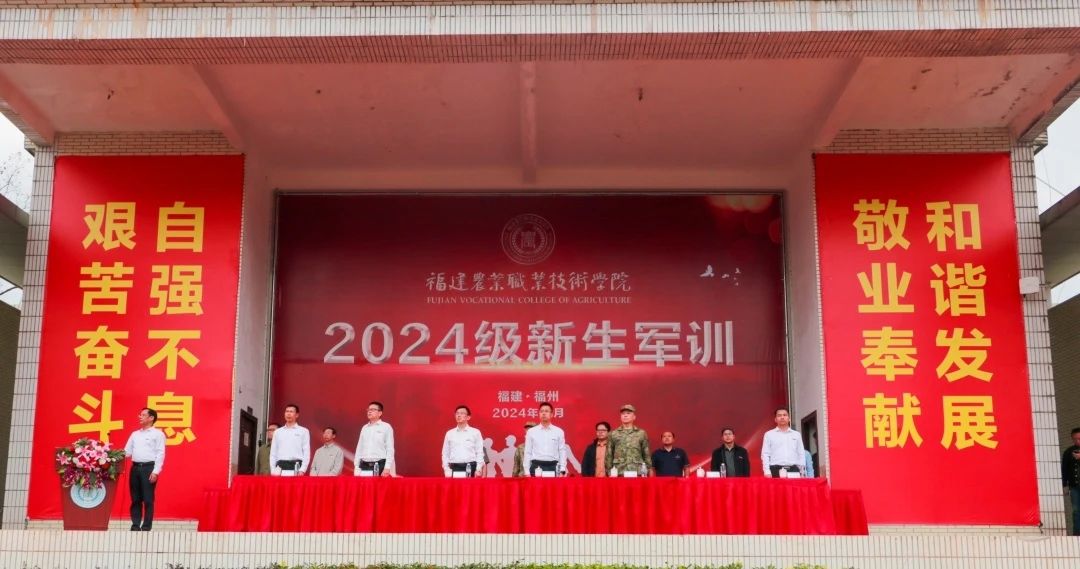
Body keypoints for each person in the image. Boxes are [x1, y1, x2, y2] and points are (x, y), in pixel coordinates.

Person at [124, 407, 165, 531]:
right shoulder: (135, 434)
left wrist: (156, 471)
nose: (139, 417)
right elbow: (126, 452)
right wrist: (110, 455)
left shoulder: (158, 434)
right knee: (135, 499)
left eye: (143, 415)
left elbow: (160, 453)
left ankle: (146, 526)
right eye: (140, 415)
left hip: (149, 468)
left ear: (151, 418)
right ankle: (135, 525)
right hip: (135, 468)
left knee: (148, 499)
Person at [608, 404, 652, 476]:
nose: (625, 415)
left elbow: (646, 453)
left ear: (634, 417)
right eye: (623, 414)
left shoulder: (641, 433)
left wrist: (649, 469)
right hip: (619, 472)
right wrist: (609, 471)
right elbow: (609, 455)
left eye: (628, 413)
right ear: (620, 417)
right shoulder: (613, 434)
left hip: (637, 472)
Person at [441, 405, 485, 477]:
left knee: (470, 485)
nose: (459, 415)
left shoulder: (475, 432)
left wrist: (478, 469)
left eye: (462, 413)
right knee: (455, 485)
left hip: (471, 467)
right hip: (455, 467)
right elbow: (445, 453)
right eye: (457, 413)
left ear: (468, 417)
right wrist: (446, 469)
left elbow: (479, 452)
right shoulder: (449, 433)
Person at [353, 401, 395, 476]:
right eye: (368, 410)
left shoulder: (386, 427)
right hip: (364, 466)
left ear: (380, 413)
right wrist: (356, 466)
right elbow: (359, 447)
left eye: (373, 409)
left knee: (378, 484)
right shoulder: (364, 428)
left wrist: (387, 467)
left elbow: (390, 448)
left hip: (379, 465)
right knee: (363, 484)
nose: (369, 411)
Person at [524, 402, 567, 476]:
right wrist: (526, 471)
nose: (543, 413)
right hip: (536, 466)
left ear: (551, 414)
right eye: (541, 411)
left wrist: (562, 469)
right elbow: (527, 452)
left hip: (553, 466)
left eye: (546, 411)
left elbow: (562, 451)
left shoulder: (559, 432)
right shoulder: (531, 432)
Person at [761, 407, 806, 477]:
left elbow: (801, 453)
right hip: (775, 470)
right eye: (779, 415)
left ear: (789, 418)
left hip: (794, 470)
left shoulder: (796, 435)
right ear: (775, 419)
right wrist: (767, 471)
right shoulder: (769, 434)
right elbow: (765, 454)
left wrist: (802, 472)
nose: (782, 417)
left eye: (785, 415)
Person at [269, 403, 310, 476]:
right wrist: (273, 470)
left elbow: (306, 452)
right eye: (287, 411)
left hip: (296, 468)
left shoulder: (304, 431)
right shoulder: (278, 432)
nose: (288, 414)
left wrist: (302, 470)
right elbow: (273, 452)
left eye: (291, 412)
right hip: (279, 469)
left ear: (297, 415)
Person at [1062, 427, 1080, 535]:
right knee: (1076, 511)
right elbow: (1064, 469)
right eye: (1075, 439)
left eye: (1079, 438)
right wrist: (1064, 485)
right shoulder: (1068, 452)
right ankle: (1077, 534)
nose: (1077, 441)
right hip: (1074, 487)